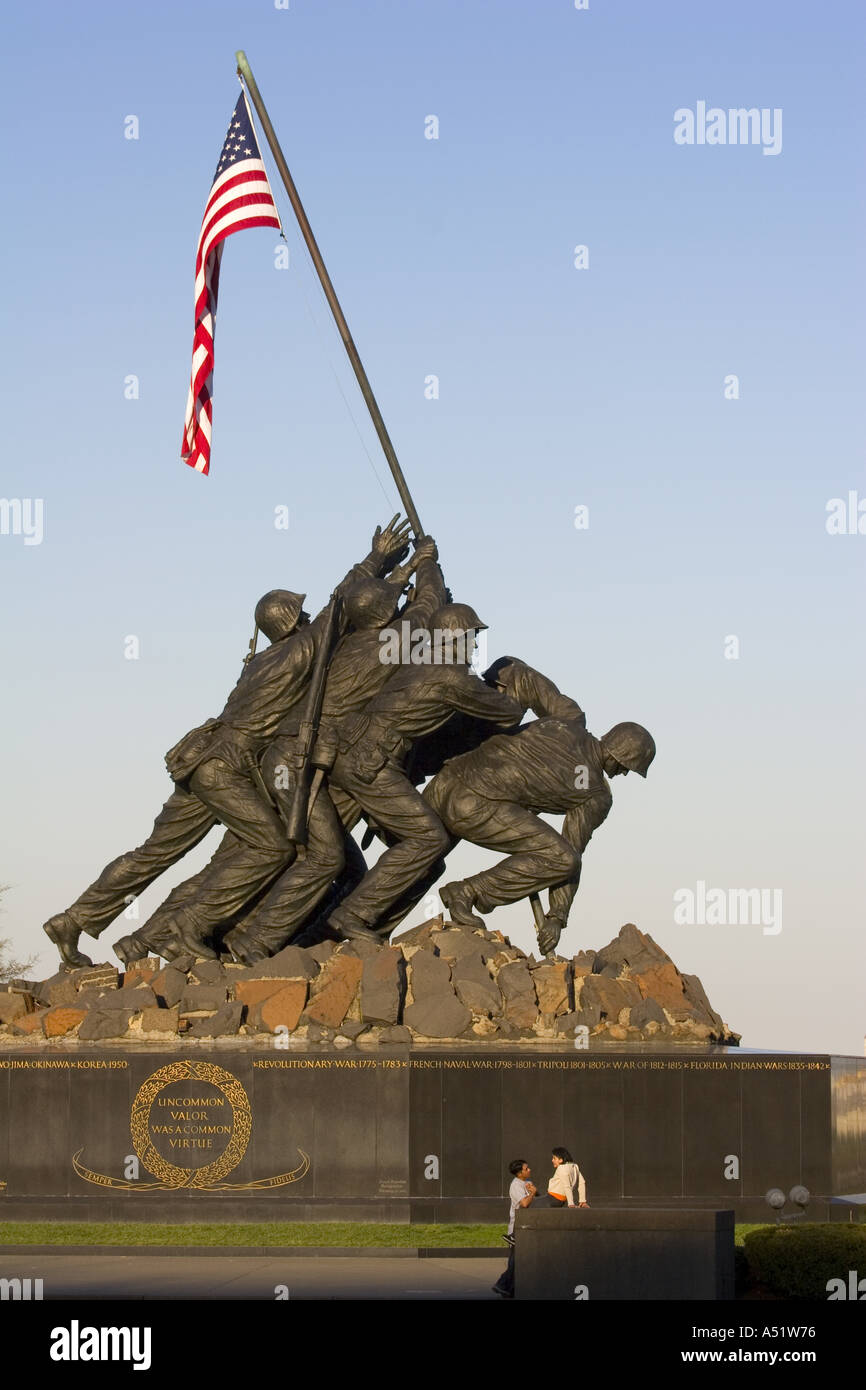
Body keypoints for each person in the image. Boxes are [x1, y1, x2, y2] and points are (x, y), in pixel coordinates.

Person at [42, 516, 412, 968]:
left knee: (153, 854)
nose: (312, 616)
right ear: (294, 623)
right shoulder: (300, 652)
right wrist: (379, 561)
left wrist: (392, 575)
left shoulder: (258, 660)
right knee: (271, 847)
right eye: (303, 612)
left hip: (202, 759)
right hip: (227, 766)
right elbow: (340, 609)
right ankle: (185, 930)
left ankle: (74, 919)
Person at [492, 1158, 536, 1299]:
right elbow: (524, 1203)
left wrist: (533, 1191)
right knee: (516, 1260)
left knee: (517, 1260)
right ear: (519, 1173)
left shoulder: (526, 1183)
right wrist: (532, 1193)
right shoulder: (516, 1185)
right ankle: (502, 1285)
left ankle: (508, 1289)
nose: (529, 1170)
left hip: (524, 1226)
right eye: (526, 1168)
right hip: (516, 1228)